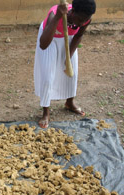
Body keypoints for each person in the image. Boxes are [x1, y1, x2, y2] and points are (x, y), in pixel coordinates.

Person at [34, 0, 96, 129]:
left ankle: (69, 102)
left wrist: (69, 57)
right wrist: (57, 17)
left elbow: (79, 35)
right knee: (47, 76)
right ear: (72, 12)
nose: (81, 23)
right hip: (50, 37)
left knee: (71, 73)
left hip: (69, 39)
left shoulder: (85, 19)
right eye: (79, 20)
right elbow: (43, 44)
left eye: (85, 20)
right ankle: (46, 111)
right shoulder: (55, 14)